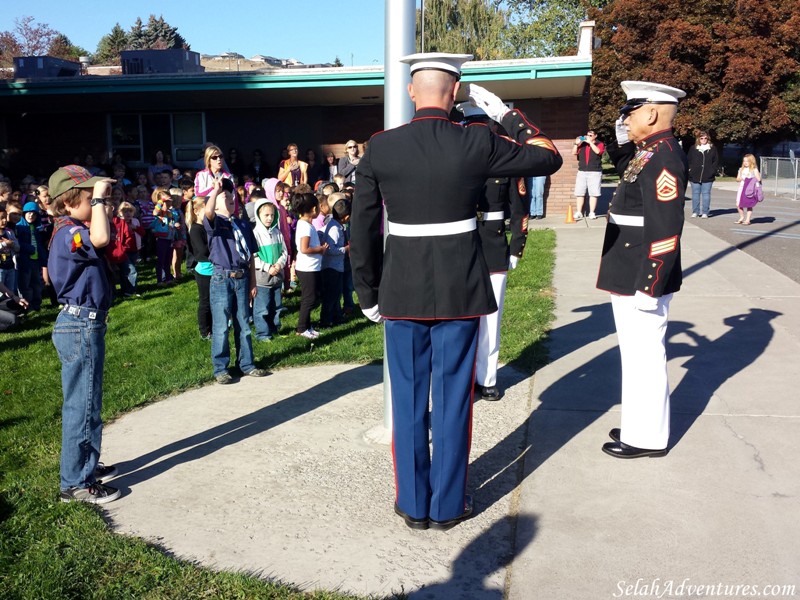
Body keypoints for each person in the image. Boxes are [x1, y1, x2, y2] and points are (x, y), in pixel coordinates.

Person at [350, 53, 562, 531]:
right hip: (461, 286)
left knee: (406, 399)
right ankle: (447, 506)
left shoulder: (381, 147)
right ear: (456, 92)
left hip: (400, 289)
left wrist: (367, 289)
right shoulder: (478, 140)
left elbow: (362, 227)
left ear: (411, 92)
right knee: (452, 399)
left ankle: (412, 503)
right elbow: (549, 156)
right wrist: (506, 113)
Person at [597, 80, 687, 459]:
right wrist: (621, 136)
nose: (625, 120)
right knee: (634, 356)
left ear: (651, 113)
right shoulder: (649, 151)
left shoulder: (664, 156)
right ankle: (638, 425)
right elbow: (625, 169)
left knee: (645, 356)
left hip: (641, 273)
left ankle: (648, 437)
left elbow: (666, 230)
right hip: (627, 267)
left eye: (629, 114)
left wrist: (651, 286)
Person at [47, 165, 120, 503]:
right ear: (68, 202)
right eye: (89, 199)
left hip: (84, 323)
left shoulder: (71, 227)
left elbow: (104, 238)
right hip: (80, 325)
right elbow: (101, 239)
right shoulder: (67, 232)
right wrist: (102, 200)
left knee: (88, 401)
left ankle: (85, 463)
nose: (96, 204)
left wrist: (100, 203)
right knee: (83, 405)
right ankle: (76, 481)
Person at [456, 102, 530, 401]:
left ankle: (486, 377)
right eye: (469, 125)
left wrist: (517, 245)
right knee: (461, 317)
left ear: (491, 126)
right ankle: (462, 377)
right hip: (460, 245)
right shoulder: (456, 159)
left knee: (491, 316)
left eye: (481, 125)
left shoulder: (506, 157)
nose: (476, 131)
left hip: (494, 244)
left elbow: (518, 206)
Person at [204, 177, 269, 383]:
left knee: (243, 322)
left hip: (241, 278)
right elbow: (207, 212)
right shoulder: (215, 223)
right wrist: (215, 191)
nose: (230, 198)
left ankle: (247, 364)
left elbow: (250, 255)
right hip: (222, 278)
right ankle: (221, 368)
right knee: (222, 325)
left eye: (232, 196)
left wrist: (252, 283)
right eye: (225, 196)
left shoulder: (242, 223)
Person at [251, 198, 288, 341]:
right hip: (262, 278)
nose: (269, 218)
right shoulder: (256, 234)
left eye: (272, 215)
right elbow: (253, 257)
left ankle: (274, 328)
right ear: (259, 215)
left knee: (277, 306)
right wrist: (267, 267)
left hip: (277, 276)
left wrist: (279, 264)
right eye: (266, 215)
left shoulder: (277, 233)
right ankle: (262, 333)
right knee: (262, 308)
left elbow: (284, 252)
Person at [293, 192, 328, 339]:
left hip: (312, 267)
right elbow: (304, 248)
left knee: (312, 296)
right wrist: (320, 249)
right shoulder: (305, 226)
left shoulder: (307, 224)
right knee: (309, 298)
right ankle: (301, 328)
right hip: (307, 268)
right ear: (314, 209)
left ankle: (308, 326)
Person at [319, 196, 350, 328]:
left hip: (337, 267)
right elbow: (330, 249)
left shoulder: (336, 225)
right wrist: (345, 249)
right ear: (346, 217)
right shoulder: (334, 229)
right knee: (330, 296)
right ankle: (325, 321)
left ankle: (337, 317)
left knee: (336, 294)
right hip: (331, 268)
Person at [186, 197, 212, 339]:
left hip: (213, 268)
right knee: (205, 301)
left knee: (214, 300)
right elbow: (202, 251)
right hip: (204, 270)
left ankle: (213, 327)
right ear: (196, 211)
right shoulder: (196, 229)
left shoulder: (207, 227)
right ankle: (205, 331)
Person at [16, 201, 47, 310]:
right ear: (24, 214)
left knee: (37, 284)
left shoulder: (37, 228)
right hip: (24, 261)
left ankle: (37, 304)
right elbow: (17, 243)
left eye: (34, 214)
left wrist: (43, 259)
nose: (31, 215)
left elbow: (40, 245)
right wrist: (28, 248)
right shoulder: (19, 227)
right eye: (28, 213)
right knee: (26, 285)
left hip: (36, 260)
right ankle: (27, 306)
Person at [572, 130, 605, 220]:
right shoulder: (582, 144)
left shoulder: (599, 144)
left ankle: (592, 212)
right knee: (580, 192)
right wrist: (576, 143)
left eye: (590, 135)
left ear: (595, 136)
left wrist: (590, 143)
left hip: (595, 171)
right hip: (582, 171)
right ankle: (579, 212)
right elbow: (574, 152)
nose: (588, 136)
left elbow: (598, 152)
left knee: (594, 193)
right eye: (587, 135)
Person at [686, 131, 719, 218]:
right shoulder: (693, 148)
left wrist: (712, 171)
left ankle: (705, 212)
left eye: (705, 138)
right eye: (701, 138)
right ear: (698, 139)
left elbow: (715, 162)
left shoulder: (712, 149)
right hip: (695, 175)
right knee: (695, 193)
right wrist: (690, 170)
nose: (703, 140)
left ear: (708, 139)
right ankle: (695, 211)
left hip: (708, 175)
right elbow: (689, 160)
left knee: (706, 193)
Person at [735, 154, 761, 225]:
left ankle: (747, 220)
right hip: (741, 188)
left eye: (747, 161)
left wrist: (750, 179)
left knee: (749, 204)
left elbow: (758, 179)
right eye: (744, 161)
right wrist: (741, 178)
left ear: (751, 162)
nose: (745, 162)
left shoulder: (754, 169)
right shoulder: (741, 169)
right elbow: (737, 179)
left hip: (750, 189)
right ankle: (741, 217)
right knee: (738, 204)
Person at [0, 206, 20, 295]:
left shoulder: (9, 232)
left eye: (5, 217)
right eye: (1, 218)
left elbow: (17, 247)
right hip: (0, 268)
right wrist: (5, 244)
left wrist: (12, 244)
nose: (4, 220)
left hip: (10, 266)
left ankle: (9, 308)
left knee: (10, 291)